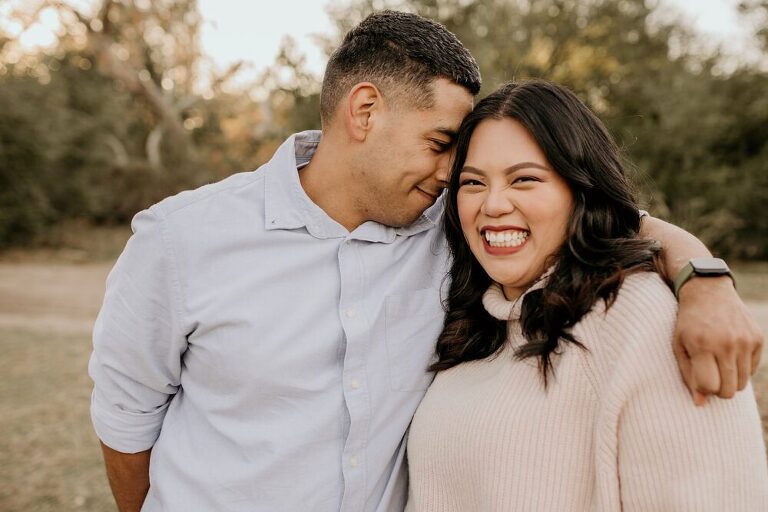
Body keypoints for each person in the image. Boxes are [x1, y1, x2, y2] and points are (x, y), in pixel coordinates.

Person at [89, 11, 763, 512]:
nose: (456, 177)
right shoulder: (182, 239)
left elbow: (589, 211)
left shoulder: (451, 227)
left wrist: (702, 275)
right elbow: (127, 420)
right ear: (365, 111)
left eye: (467, 163)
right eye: (444, 146)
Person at [405, 79, 768, 511]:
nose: (494, 204)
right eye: (473, 183)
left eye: (524, 179)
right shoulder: (474, 317)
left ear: (579, 191)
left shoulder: (639, 317)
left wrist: (704, 278)